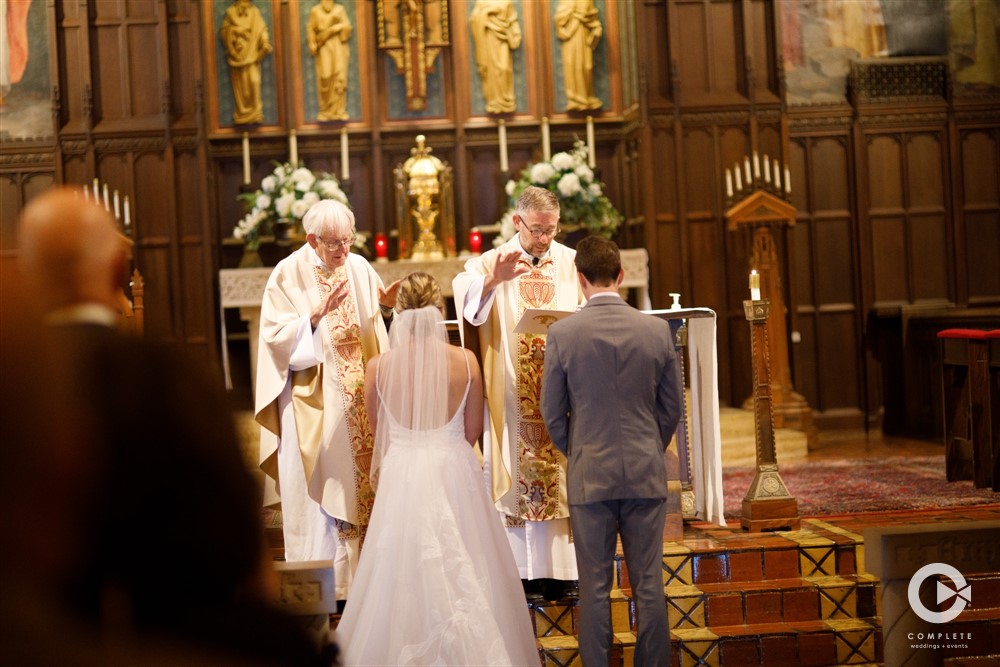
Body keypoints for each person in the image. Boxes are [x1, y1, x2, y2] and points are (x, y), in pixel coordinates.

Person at [10, 188, 333, 665]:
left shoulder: (15, 381)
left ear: (25, 276)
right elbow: (233, 536)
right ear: (119, 271)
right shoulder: (170, 378)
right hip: (177, 631)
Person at [337, 272, 539, 666]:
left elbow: (380, 435)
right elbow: (472, 434)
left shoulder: (378, 366)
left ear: (398, 313)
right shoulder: (466, 360)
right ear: (440, 311)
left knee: (401, 572)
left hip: (402, 473)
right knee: (466, 564)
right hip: (453, 470)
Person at [540, 236, 682, 667]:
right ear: (621, 276)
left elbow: (552, 413)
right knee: (649, 584)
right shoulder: (657, 330)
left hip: (590, 474)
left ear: (578, 278)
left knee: (595, 585)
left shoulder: (562, 334)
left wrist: (580, 449)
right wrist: (647, 446)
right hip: (644, 472)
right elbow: (672, 407)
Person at [256, 198, 399, 603]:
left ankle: (370, 584)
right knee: (324, 495)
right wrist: (313, 320)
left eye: (348, 241)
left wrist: (386, 311)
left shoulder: (359, 267)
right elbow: (274, 339)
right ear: (312, 239)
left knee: (366, 489)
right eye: (334, 243)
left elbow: (376, 332)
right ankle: (329, 588)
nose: (342, 250)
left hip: (361, 403)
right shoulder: (287, 274)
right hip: (313, 406)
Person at [453, 185, 583, 602]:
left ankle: (562, 573)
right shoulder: (492, 262)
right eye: (537, 230)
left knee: (560, 471)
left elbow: (586, 308)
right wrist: (494, 281)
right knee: (517, 472)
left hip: (563, 391)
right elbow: (467, 305)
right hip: (513, 393)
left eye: (551, 230)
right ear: (517, 222)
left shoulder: (570, 261)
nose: (545, 239)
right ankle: (524, 574)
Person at [220, 0, 273, 125]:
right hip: (237, 55)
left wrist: (264, 42)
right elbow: (224, 32)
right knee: (241, 87)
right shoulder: (231, 12)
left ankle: (256, 113)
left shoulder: (254, 12)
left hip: (252, 55)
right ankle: (242, 114)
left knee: (254, 81)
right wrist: (235, 31)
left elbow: (262, 29)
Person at [470, 0, 522, 114]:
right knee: (491, 70)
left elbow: (513, 20)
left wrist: (516, 34)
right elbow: (474, 20)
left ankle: (506, 100)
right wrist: (487, 12)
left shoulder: (507, 2)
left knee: (504, 68)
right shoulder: (481, 2)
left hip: (503, 38)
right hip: (488, 38)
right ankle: (494, 101)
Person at [307, 0, 352, 121]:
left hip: (337, 46)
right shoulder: (315, 10)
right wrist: (311, 43)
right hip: (324, 46)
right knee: (325, 76)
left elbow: (347, 27)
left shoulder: (340, 9)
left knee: (339, 76)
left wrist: (338, 27)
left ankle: (339, 110)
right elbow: (311, 28)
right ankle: (325, 110)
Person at [554, 0, 603, 111]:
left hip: (584, 37)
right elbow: (559, 19)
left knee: (587, 67)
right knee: (574, 66)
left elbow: (594, 20)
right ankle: (575, 100)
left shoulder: (587, 1)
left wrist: (597, 30)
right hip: (571, 38)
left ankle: (587, 97)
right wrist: (565, 26)